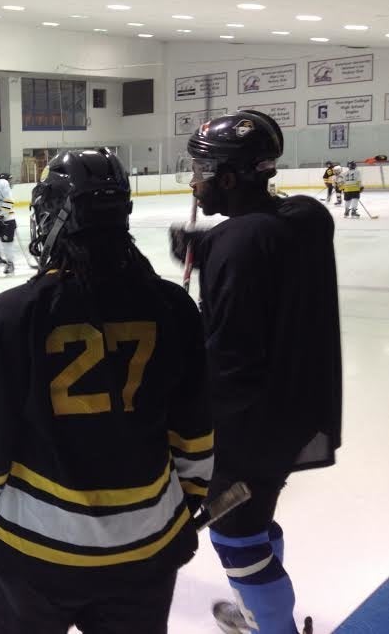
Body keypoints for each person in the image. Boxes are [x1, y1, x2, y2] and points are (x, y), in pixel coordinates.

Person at [0, 148, 213, 634]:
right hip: (146, 551)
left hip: (36, 557)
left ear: (57, 215)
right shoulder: (174, 307)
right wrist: (182, 505)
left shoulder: (12, 316)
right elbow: (194, 430)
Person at [169, 111, 341, 634]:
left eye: (200, 171)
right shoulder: (308, 218)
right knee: (258, 513)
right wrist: (207, 244)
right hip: (300, 410)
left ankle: (273, 628)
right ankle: (261, 615)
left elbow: (230, 359)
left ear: (227, 178)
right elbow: (275, 235)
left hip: (248, 424)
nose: (194, 183)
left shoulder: (237, 247)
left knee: (235, 533)